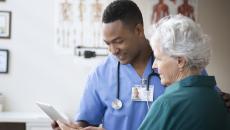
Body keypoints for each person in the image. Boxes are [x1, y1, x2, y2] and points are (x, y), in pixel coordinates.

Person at [53, 1, 230, 130]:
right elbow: (85, 121)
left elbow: (205, 103)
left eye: (118, 41)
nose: (113, 50)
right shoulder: (100, 75)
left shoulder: (179, 65)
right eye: (107, 43)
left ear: (138, 30)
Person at [139, 15, 230, 130]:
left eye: (159, 58)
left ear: (180, 61)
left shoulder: (167, 104)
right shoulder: (220, 101)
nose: (154, 66)